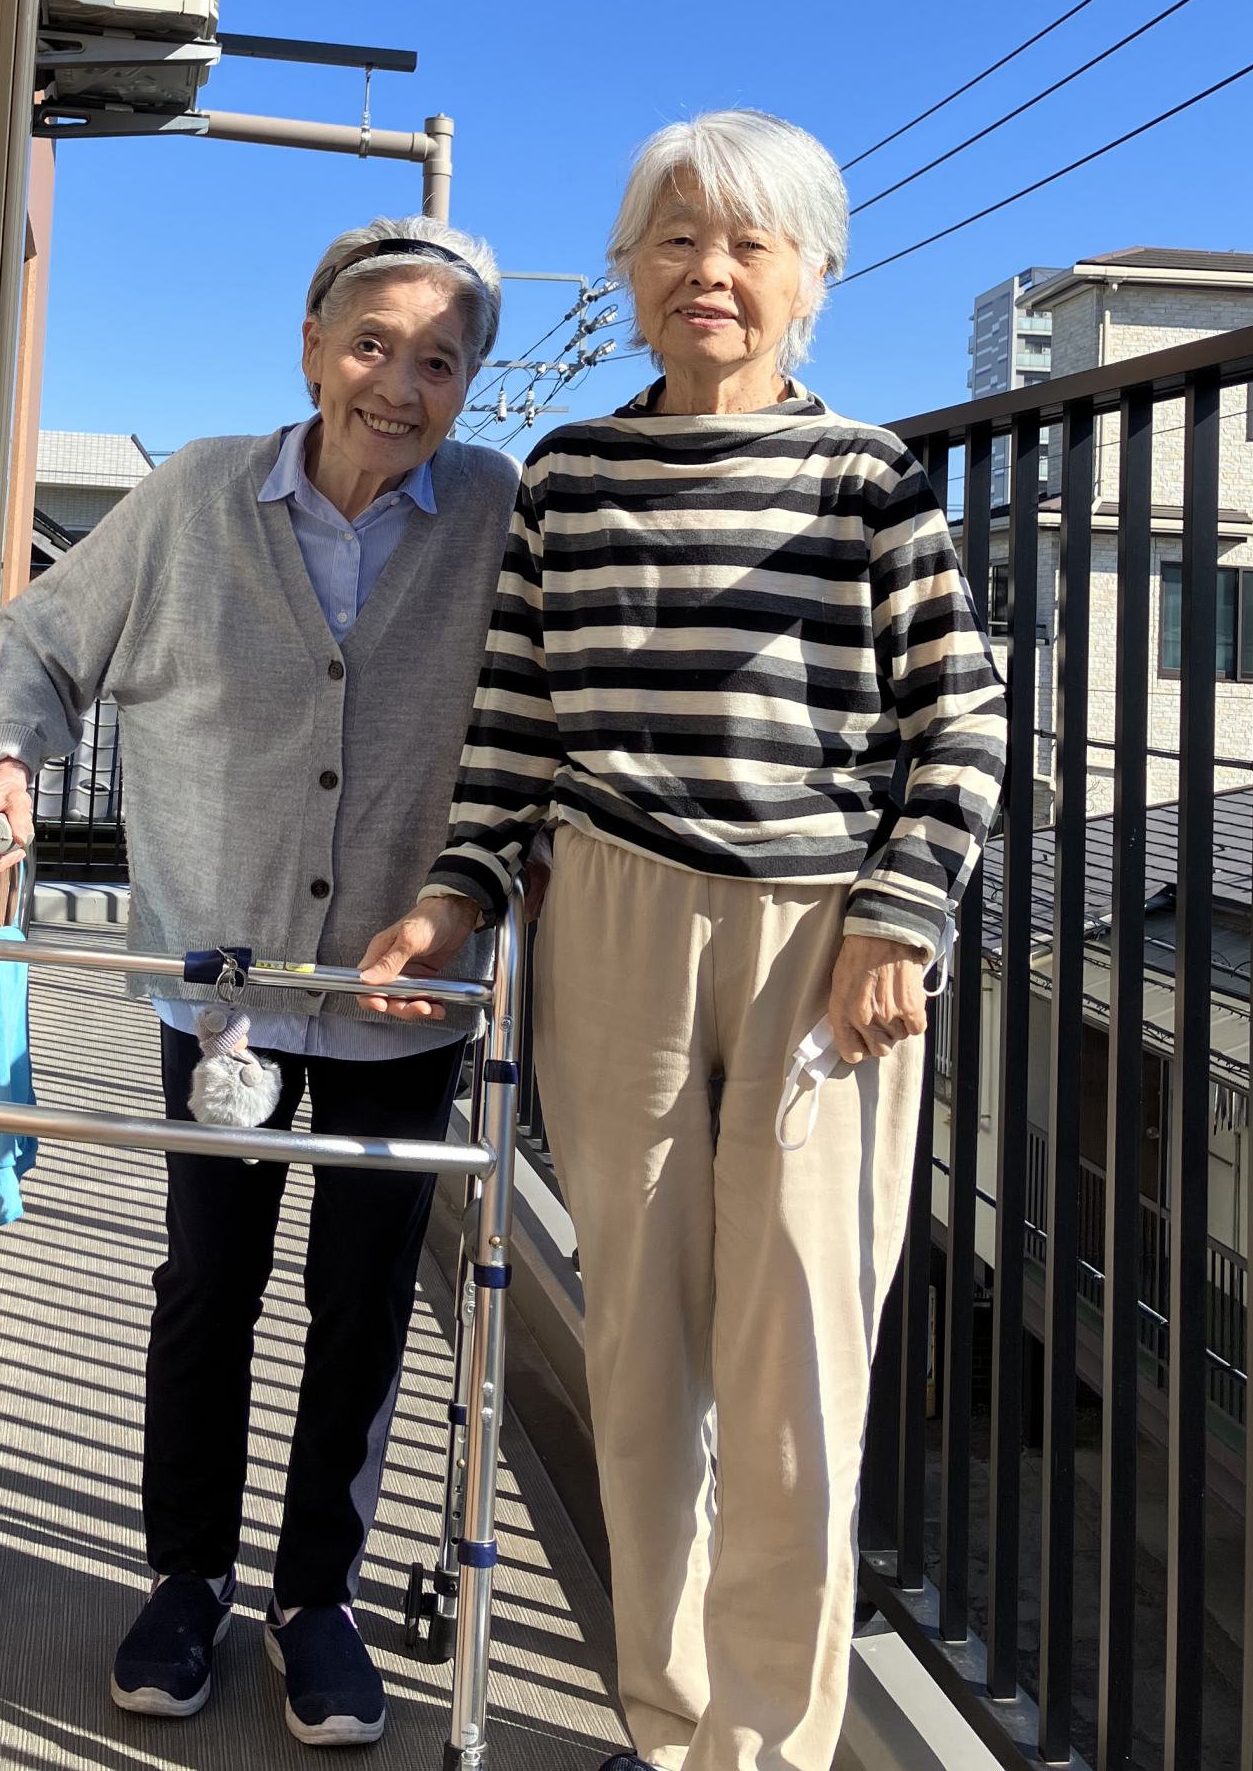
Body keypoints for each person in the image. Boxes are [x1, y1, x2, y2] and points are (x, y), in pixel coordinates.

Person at [360, 113, 1006, 1771]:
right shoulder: (569, 478)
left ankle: (766, 1744)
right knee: (638, 1341)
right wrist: (457, 893)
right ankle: (663, 1720)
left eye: (747, 245)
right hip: (613, 915)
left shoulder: (867, 477)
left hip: (820, 936)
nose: (709, 272)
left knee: (797, 1355)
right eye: (676, 240)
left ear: (810, 279)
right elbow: (517, 724)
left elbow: (962, 721)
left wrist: (897, 913)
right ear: (631, 271)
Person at [0, 218, 519, 1749]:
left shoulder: (496, 513)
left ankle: (317, 1599)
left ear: (470, 384)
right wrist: (10, 767)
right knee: (210, 1281)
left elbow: (546, 709)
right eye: (372, 344)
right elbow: (48, 641)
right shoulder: (200, 493)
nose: (398, 383)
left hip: (409, 988)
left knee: (363, 1300)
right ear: (313, 348)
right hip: (224, 984)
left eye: (440, 359)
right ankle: (187, 1575)